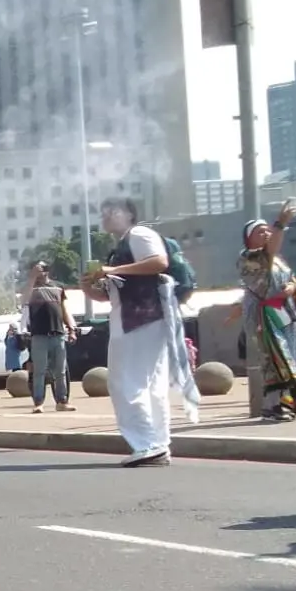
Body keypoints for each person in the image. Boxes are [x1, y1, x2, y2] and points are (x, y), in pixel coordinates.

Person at [85, 198, 199, 466]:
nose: (105, 216)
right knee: (149, 384)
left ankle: (148, 444)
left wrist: (112, 269)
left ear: (128, 214)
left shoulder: (139, 234)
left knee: (127, 382)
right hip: (138, 318)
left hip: (140, 319)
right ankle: (157, 444)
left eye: (111, 211)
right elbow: (115, 292)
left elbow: (158, 261)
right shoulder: (124, 243)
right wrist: (91, 287)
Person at [237, 207, 296, 422]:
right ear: (249, 239)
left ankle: (290, 404)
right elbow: (270, 251)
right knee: (274, 360)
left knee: (290, 356)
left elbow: (290, 277)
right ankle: (274, 406)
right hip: (264, 315)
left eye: (267, 230)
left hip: (284, 313)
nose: (265, 234)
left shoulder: (277, 259)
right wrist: (280, 223)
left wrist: (292, 287)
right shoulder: (249, 257)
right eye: (260, 231)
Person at [23, 261, 76, 412]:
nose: (42, 272)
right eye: (38, 269)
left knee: (60, 370)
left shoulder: (58, 287)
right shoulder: (31, 287)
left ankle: (62, 401)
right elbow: (24, 300)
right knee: (39, 371)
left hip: (58, 333)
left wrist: (71, 329)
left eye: (44, 268)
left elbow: (64, 310)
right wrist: (32, 278)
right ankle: (38, 403)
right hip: (38, 335)